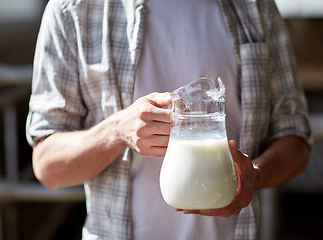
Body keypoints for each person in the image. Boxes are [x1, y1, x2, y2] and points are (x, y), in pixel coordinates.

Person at [26, 0, 312, 239]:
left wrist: (256, 174)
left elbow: (296, 141)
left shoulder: (255, 7)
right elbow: (47, 165)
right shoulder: (74, 9)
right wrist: (117, 130)